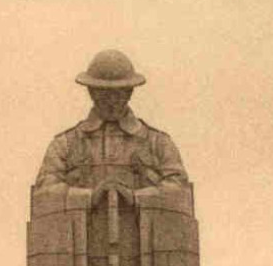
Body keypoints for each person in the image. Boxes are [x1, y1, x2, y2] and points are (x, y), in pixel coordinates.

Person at [35, 50, 189, 206]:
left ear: (130, 92)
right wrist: (88, 197)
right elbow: (44, 191)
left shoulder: (158, 143)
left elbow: (180, 190)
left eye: (118, 92)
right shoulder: (65, 144)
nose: (111, 100)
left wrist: (137, 197)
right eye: (103, 92)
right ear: (91, 92)